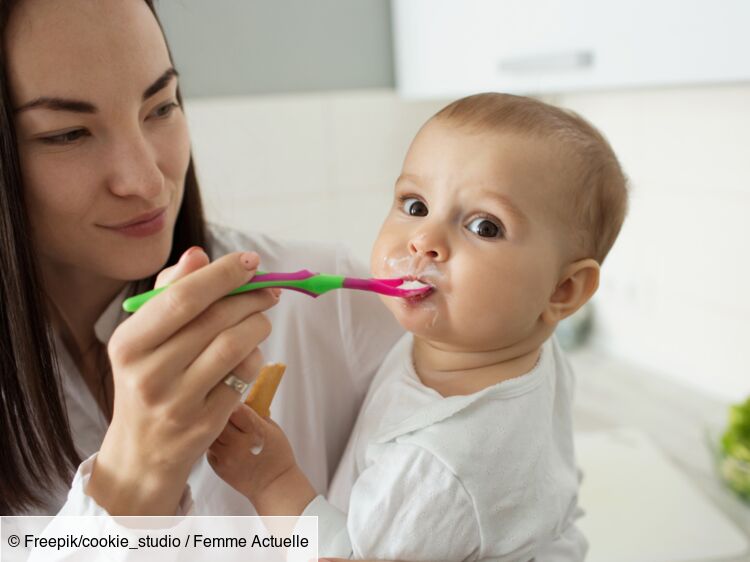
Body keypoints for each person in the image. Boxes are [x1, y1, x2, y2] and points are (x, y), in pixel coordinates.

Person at [0, 0, 406, 547]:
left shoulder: (331, 303)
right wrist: (135, 476)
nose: (147, 181)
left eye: (161, 107)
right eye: (68, 134)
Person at [209, 92, 629, 561]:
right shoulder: (515, 351)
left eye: (484, 227)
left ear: (563, 291)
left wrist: (271, 480)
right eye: (414, 205)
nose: (423, 241)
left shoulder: (439, 464)